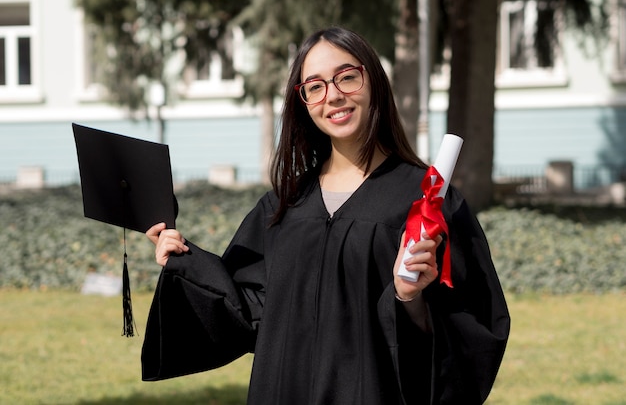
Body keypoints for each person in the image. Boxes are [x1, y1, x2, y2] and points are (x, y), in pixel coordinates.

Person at [142, 26, 510, 404]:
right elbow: (248, 311)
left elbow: (473, 331)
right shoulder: (283, 206)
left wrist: (409, 300)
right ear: (303, 102)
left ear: (374, 83)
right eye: (314, 86)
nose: (333, 95)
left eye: (347, 78)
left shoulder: (427, 203)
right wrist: (185, 261)